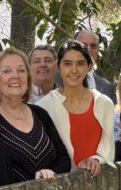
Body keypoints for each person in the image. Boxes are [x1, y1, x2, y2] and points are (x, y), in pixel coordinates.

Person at [0, 48, 71, 181]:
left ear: (28, 79)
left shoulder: (40, 113)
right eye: (6, 71)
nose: (15, 75)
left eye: (21, 70)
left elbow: (63, 158)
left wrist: (51, 172)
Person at [37, 41, 116, 175]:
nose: (74, 70)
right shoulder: (43, 106)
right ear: (58, 67)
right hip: (59, 187)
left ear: (89, 67)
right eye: (67, 64)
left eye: (80, 64)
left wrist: (96, 159)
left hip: (97, 183)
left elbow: (109, 149)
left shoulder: (104, 103)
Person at [74, 29, 117, 104]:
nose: (88, 49)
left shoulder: (108, 88)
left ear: (98, 50)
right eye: (83, 45)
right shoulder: (56, 80)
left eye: (93, 46)